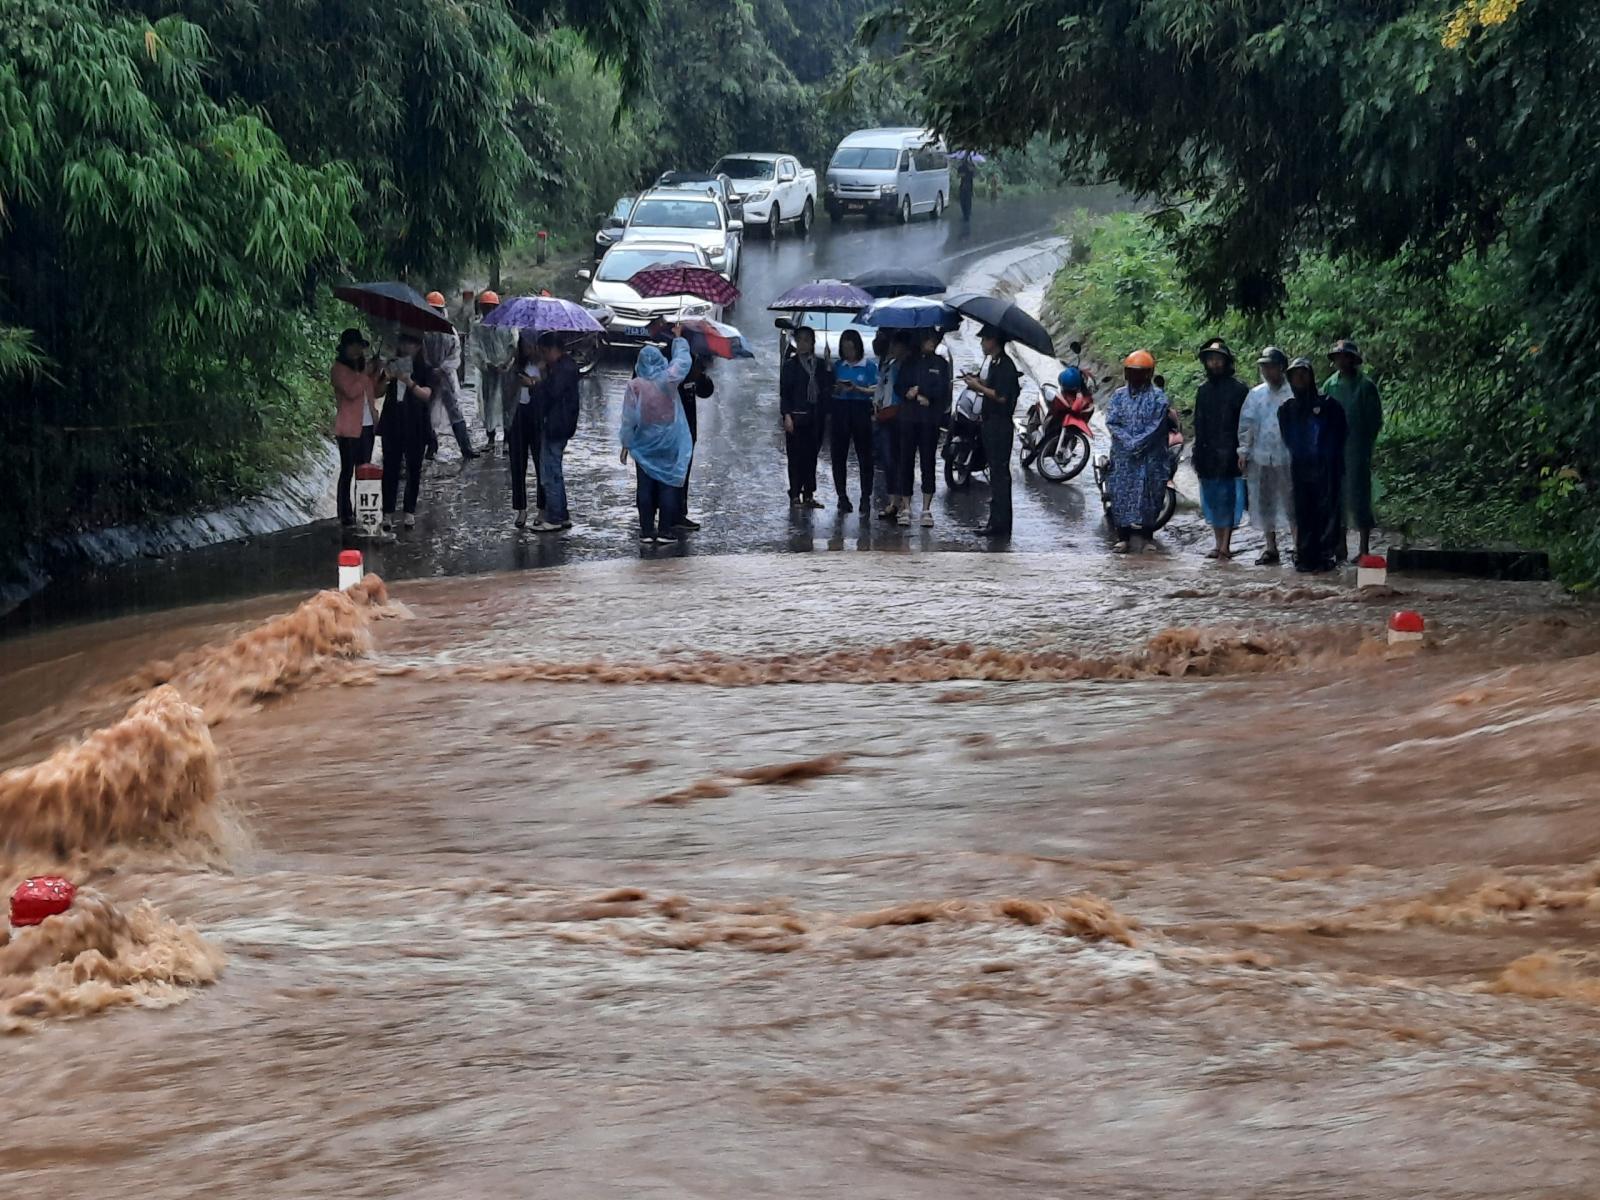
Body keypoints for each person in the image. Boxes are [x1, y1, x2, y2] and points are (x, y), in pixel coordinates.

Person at [620, 330, 692, 544]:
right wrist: (679, 340)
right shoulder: (668, 380)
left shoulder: (635, 386)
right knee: (668, 485)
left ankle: (646, 530)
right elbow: (683, 360)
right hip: (669, 442)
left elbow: (628, 418)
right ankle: (665, 530)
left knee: (645, 486)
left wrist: (625, 444)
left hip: (643, 443)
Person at [1105, 350, 1176, 554]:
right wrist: (1128, 442)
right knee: (1121, 495)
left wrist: (1138, 443)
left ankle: (1147, 537)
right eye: (1132, 372)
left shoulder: (1158, 398)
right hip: (1123, 458)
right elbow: (1112, 422)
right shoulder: (1118, 396)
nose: (1135, 377)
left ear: (1149, 374)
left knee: (1150, 496)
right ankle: (1123, 537)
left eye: (1140, 372)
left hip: (1151, 458)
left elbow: (1155, 426)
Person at [1281, 357, 1348, 573]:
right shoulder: (1287, 409)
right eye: (1294, 375)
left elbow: (1341, 434)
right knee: (1303, 511)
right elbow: (1288, 439)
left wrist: (1329, 459)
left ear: (1311, 376)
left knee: (1326, 512)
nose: (1299, 379)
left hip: (1326, 467)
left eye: (1303, 374)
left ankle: (1325, 554)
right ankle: (1304, 554)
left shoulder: (1329, 405)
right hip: (1301, 468)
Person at [1324, 338, 1383, 558]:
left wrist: (1365, 443)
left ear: (1353, 360)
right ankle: (1340, 545)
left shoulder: (1365, 386)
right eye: (1338, 357)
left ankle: (1364, 547)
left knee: (1359, 496)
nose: (1341, 361)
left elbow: (1374, 419)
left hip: (1358, 448)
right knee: (1337, 496)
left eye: (1345, 357)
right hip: (1335, 448)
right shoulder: (1330, 385)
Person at [961, 326, 1022, 538]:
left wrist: (979, 388)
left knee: (999, 475)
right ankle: (995, 521)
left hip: (999, 425)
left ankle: (1000, 525)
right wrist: (976, 381)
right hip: (989, 423)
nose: (981, 344)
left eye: (984, 340)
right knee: (995, 475)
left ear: (994, 340)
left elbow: (1002, 396)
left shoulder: (1006, 365)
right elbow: (991, 386)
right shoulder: (994, 363)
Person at [1191, 337, 1249, 560]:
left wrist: (1242, 450)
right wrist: (1198, 451)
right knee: (1212, 498)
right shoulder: (1203, 390)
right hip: (1207, 450)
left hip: (1231, 450)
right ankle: (1217, 543)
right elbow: (1199, 422)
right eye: (1210, 360)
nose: (1214, 364)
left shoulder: (1239, 390)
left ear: (1226, 362)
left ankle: (1226, 544)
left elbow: (1245, 423)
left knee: (1229, 498)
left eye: (1218, 360)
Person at [1238, 347, 1296, 564]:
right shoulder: (1256, 394)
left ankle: (1298, 546)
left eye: (1271, 366)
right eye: (1264, 367)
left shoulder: (1293, 393)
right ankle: (1271, 547)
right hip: (1261, 456)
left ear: (1281, 368)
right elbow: (1247, 424)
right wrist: (1244, 451)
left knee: (1292, 503)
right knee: (1265, 503)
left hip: (1287, 457)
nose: (1267, 371)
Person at [376, 331, 436, 530]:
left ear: (419, 347)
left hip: (416, 423)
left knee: (413, 468)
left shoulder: (424, 368)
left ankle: (409, 511)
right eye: (404, 342)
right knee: (390, 468)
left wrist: (409, 382)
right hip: (393, 420)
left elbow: (427, 394)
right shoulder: (392, 364)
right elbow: (378, 392)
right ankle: (388, 513)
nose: (407, 347)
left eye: (412, 343)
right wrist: (385, 376)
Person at [521, 332, 579, 534]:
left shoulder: (564, 368)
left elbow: (552, 392)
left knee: (550, 471)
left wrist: (535, 383)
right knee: (554, 469)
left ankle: (554, 516)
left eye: (545, 352)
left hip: (557, 425)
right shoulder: (563, 366)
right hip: (559, 424)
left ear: (552, 349)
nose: (543, 356)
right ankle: (561, 514)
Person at [895, 328, 953, 527]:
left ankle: (927, 508)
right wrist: (908, 393)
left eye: (935, 340)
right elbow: (899, 386)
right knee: (905, 461)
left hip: (929, 420)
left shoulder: (941, 364)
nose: (933, 343)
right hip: (908, 418)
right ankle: (906, 506)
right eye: (929, 339)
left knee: (928, 462)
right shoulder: (908, 362)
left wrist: (924, 393)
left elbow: (943, 389)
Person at [330, 328, 382, 528]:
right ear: (345, 348)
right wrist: (365, 374)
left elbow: (373, 393)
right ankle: (345, 514)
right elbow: (351, 391)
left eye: (359, 347)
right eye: (354, 347)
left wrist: (377, 372)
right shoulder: (339, 369)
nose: (357, 351)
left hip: (367, 426)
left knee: (364, 469)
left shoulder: (363, 369)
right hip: (349, 428)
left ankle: (362, 509)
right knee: (347, 472)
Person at [779, 325, 832, 508]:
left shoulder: (819, 365)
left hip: (815, 417)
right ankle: (794, 494)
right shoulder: (790, 366)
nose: (802, 344)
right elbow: (784, 393)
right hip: (796, 416)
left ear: (812, 343)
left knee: (811, 456)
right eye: (799, 340)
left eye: (806, 340)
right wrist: (786, 415)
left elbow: (827, 389)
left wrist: (829, 369)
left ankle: (808, 493)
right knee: (795, 457)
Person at [829, 329, 877, 514]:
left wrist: (857, 389)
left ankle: (866, 497)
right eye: (845, 348)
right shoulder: (838, 366)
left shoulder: (869, 367)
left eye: (851, 348)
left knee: (864, 455)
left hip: (860, 410)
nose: (848, 352)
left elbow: (876, 389)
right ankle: (842, 496)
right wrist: (836, 387)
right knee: (838, 455)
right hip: (840, 410)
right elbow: (830, 389)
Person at [468, 290, 515, 451]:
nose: (488, 310)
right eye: (485, 307)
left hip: (506, 372)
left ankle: (508, 438)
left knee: (507, 405)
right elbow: (475, 348)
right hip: (488, 372)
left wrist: (506, 364)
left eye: (491, 307)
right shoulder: (478, 327)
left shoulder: (507, 325)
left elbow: (513, 345)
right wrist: (486, 364)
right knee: (488, 404)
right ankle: (491, 438)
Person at [422, 330, 479, 461]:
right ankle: (432, 444)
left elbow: (455, 353)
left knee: (454, 411)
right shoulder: (426, 332)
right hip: (430, 376)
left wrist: (441, 368)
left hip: (445, 377)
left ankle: (465, 447)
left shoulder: (448, 332)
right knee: (427, 412)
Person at [506, 331, 544, 529]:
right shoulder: (515, 365)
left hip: (537, 418)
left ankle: (542, 508)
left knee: (541, 464)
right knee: (517, 465)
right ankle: (520, 509)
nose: (528, 348)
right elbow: (506, 391)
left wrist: (534, 384)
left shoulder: (544, 366)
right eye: (525, 345)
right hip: (517, 416)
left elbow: (549, 391)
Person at [675, 352, 715, 532]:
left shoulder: (694, 360)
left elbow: (706, 391)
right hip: (671, 430)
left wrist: (699, 376)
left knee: (683, 472)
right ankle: (666, 514)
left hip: (689, 430)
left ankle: (679, 512)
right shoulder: (669, 360)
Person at [875, 332, 912, 520]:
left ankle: (905, 503)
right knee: (888, 460)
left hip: (902, 415)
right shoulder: (888, 365)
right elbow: (881, 387)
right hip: (885, 415)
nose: (893, 349)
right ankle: (892, 501)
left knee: (902, 459)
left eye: (896, 346)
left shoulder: (909, 367)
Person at [956, 155, 977, 221]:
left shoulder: (971, 167)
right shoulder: (961, 167)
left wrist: (971, 169)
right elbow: (958, 175)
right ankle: (965, 213)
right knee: (963, 201)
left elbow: (974, 175)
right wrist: (962, 174)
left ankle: (967, 214)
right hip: (963, 186)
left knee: (967, 201)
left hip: (968, 186)